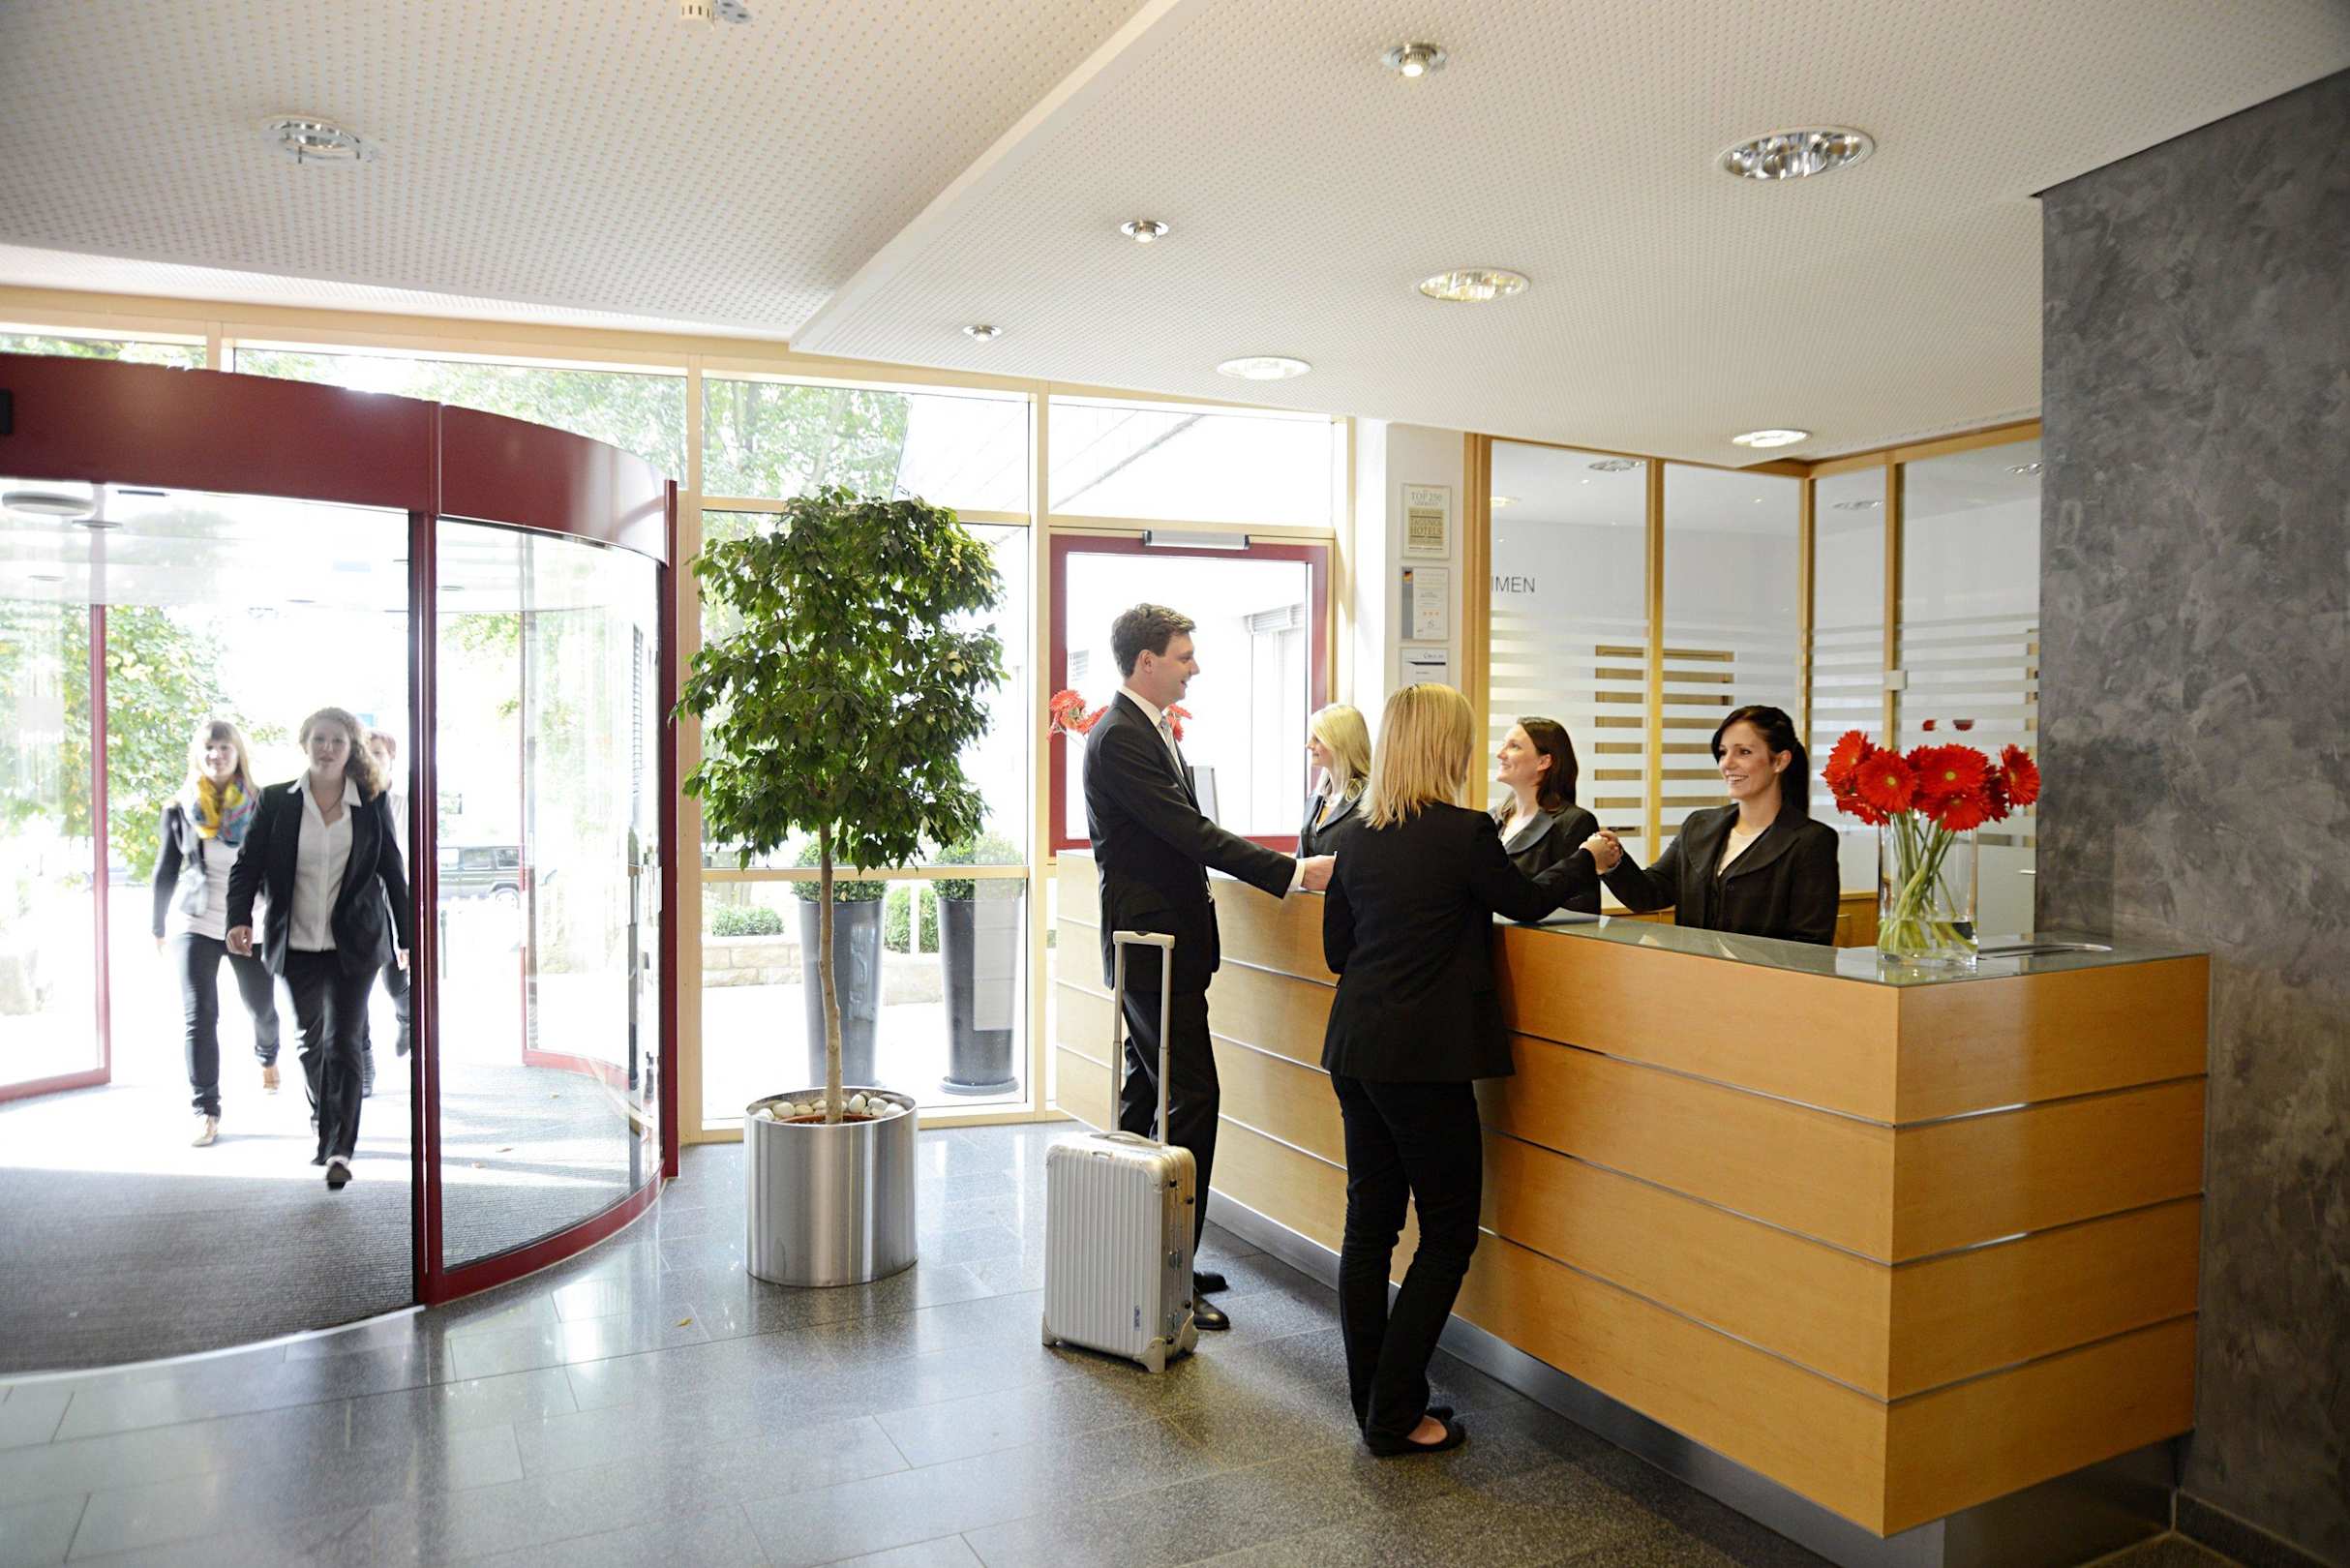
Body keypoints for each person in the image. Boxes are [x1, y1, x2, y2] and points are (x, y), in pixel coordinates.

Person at [1320, 683, 1559, 1456]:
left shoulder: (1354, 835)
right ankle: (1393, 1413)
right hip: (1423, 1063)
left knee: (1370, 1228)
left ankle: (1373, 1403)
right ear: (1446, 747)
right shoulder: (1464, 833)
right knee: (1450, 1233)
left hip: (1355, 1050)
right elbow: (1527, 903)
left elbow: (1337, 951)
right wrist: (1587, 861)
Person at [1082, 603, 1335, 1332]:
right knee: (1192, 1097)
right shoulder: (1121, 736)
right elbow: (1187, 831)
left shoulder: (1147, 729)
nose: (1195, 667)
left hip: (1164, 948)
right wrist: (1291, 872)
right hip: (1151, 947)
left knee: (1145, 1096)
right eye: (1184, 655)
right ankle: (1170, 1274)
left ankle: (1141, 1252)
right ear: (1146, 661)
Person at [226, 707, 412, 1190]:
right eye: (319, 740)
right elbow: (247, 865)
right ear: (305, 744)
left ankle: (340, 1149)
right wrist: (238, 918)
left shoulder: (370, 801)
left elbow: (392, 871)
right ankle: (326, 1122)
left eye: (337, 741)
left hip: (356, 942)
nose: (327, 749)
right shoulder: (276, 802)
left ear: (351, 749)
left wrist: (406, 939)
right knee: (311, 1042)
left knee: (343, 1040)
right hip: (296, 942)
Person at [1585, 704, 1839, 945]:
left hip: (1761, 977)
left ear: (1780, 761)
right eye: (1723, 752)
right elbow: (1651, 893)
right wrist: (1613, 862)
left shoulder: (1812, 841)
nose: (1727, 763)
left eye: (1744, 752)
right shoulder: (1698, 825)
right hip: (1693, 973)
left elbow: (1811, 943)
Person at [152, 717, 282, 1146]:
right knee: (200, 1014)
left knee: (261, 1008)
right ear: (199, 754)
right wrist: (157, 925)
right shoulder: (180, 807)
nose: (216, 755)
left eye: (224, 748)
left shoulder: (262, 803)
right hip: (196, 921)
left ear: (237, 753)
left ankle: (268, 1053)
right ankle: (205, 1109)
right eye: (209, 748)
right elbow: (166, 868)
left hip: (250, 922)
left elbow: (279, 866)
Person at [1491, 716, 1601, 914]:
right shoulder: (1491, 819)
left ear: (1544, 761)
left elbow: (1579, 909)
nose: (1500, 754)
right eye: (1503, 744)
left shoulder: (1574, 822)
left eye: (1514, 746)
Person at [357, 727, 413, 1097]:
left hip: (400, 898)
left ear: (391, 758)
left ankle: (407, 1016)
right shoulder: (354, 801)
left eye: (378, 753)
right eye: (366, 753)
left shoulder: (406, 804)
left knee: (394, 980)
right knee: (354, 991)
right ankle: (364, 1065)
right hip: (365, 903)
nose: (372, 760)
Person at [1299, 704, 1371, 856]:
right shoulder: (1315, 798)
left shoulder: (1370, 799)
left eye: (1317, 739)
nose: (1308, 745)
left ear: (1341, 743)